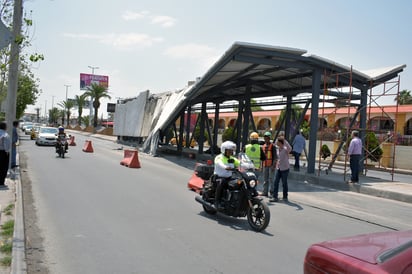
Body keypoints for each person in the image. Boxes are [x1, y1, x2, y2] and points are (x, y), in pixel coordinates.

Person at [214, 141, 240, 209]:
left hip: (229, 178)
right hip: (219, 177)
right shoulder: (219, 157)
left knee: (239, 182)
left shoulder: (232, 158)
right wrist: (225, 167)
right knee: (221, 182)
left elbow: (240, 163)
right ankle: (217, 202)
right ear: (224, 150)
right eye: (229, 150)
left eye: (231, 151)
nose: (231, 152)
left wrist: (250, 166)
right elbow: (219, 163)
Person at [270, 136, 292, 202]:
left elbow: (290, 148)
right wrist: (274, 166)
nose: (276, 142)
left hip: (285, 168)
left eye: (278, 141)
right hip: (279, 168)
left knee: (284, 183)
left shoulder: (285, 149)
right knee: (276, 182)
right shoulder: (277, 149)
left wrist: (284, 140)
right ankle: (275, 197)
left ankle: (285, 197)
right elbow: (277, 158)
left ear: (280, 142)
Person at [261, 131, 277, 197]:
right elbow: (262, 157)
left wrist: (273, 166)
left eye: (267, 138)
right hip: (265, 165)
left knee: (271, 180)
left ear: (269, 138)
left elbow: (275, 157)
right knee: (265, 180)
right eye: (265, 137)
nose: (266, 139)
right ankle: (265, 192)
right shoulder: (263, 146)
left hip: (271, 165)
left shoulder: (272, 146)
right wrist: (262, 166)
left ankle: (272, 193)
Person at [0, 122, 11, 187]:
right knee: (3, 167)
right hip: (2, 152)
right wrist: (7, 152)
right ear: (5, 127)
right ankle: (1, 182)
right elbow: (7, 146)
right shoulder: (5, 135)